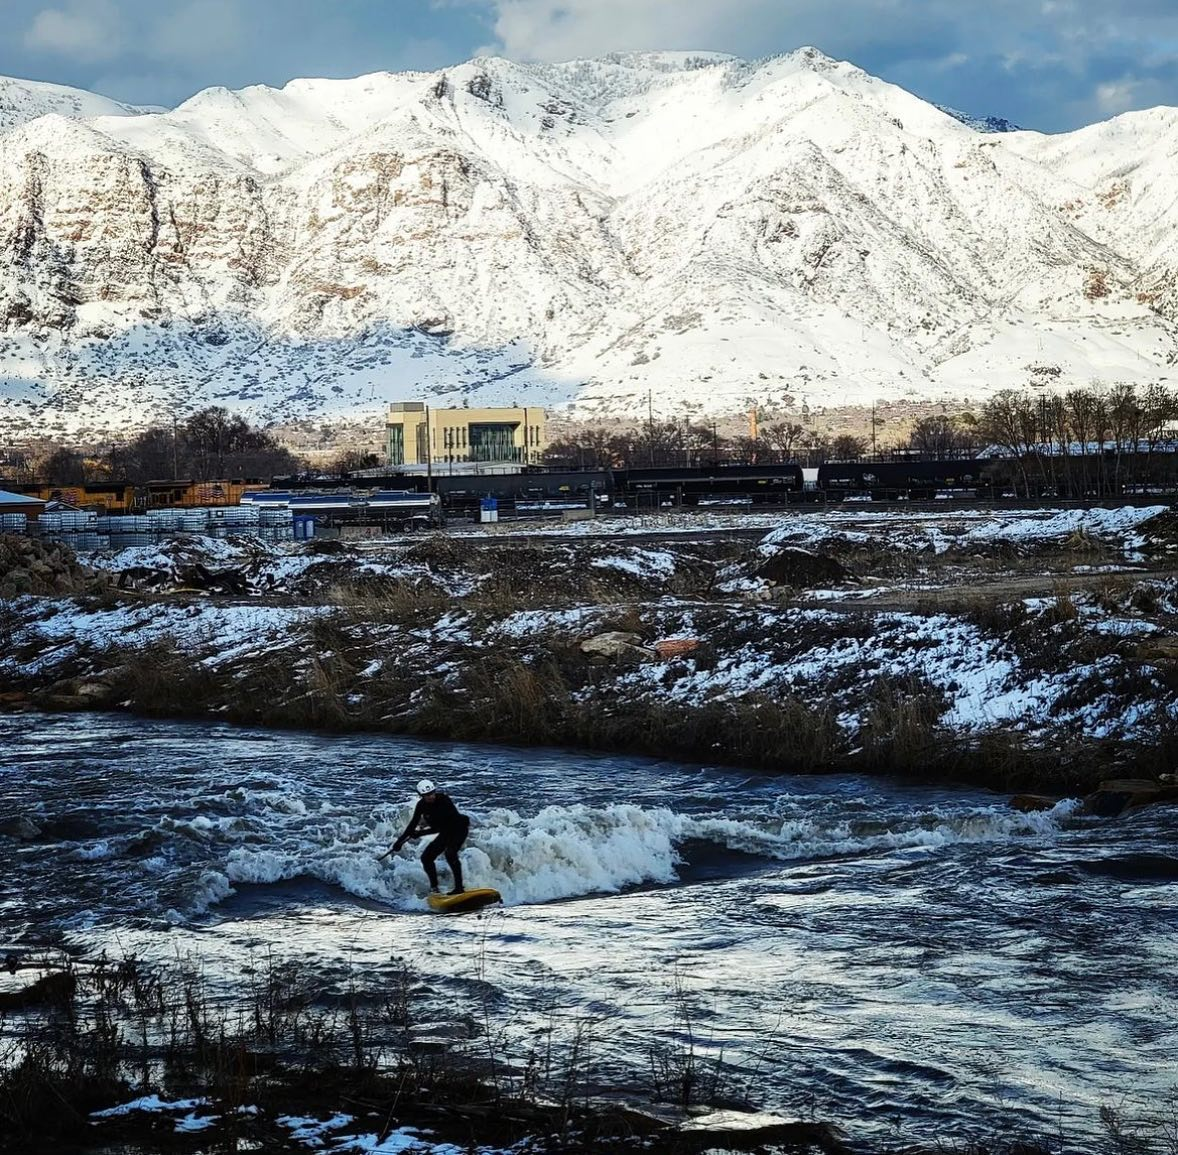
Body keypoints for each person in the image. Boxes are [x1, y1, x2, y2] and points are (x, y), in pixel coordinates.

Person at [380, 779, 469, 894]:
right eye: (427, 795)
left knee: (450, 853)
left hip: (458, 829)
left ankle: (459, 888)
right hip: (446, 833)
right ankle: (434, 889)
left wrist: (420, 833)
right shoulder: (421, 805)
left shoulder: (444, 800)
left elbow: (443, 827)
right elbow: (412, 825)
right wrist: (399, 842)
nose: (431, 796)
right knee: (426, 858)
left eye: (432, 793)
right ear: (421, 796)